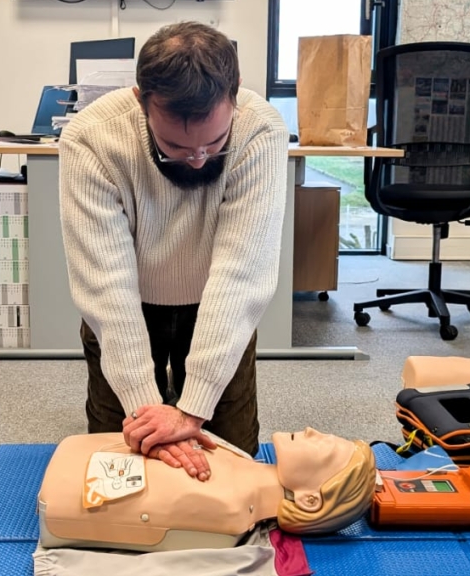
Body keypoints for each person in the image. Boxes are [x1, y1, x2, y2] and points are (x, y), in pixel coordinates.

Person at [58, 21, 290, 482]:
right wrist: (153, 416)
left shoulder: (260, 131)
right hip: (126, 309)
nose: (198, 159)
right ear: (142, 99)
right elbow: (107, 289)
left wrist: (191, 411)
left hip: (217, 304)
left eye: (213, 142)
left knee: (229, 463)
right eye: (174, 147)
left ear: (235, 92)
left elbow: (240, 275)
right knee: (121, 462)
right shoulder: (91, 139)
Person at [36, 427, 375, 553]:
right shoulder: (239, 462)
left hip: (63, 495)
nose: (312, 429)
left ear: (310, 499)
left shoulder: (227, 507)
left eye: (325, 447)